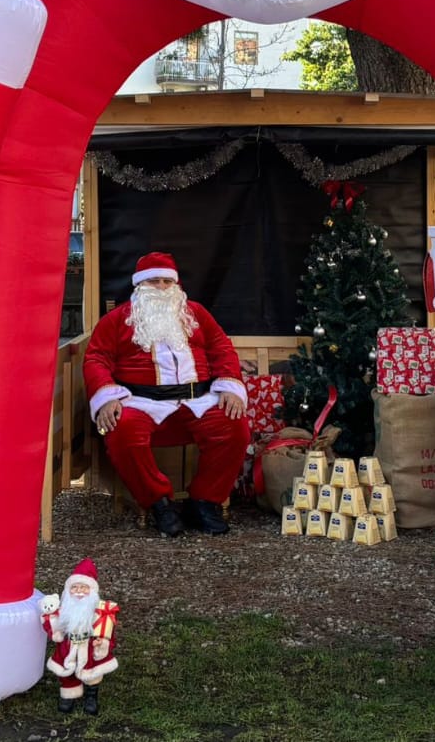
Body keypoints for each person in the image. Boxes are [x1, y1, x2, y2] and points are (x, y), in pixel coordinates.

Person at [84, 252, 250, 536]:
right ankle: (160, 504)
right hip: (140, 402)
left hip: (196, 400)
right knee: (121, 430)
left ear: (176, 285)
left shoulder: (195, 314)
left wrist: (229, 385)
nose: (161, 288)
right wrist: (107, 397)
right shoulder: (117, 320)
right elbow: (96, 358)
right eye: (153, 281)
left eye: (166, 281)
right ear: (139, 286)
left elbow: (221, 347)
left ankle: (205, 502)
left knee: (235, 426)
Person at [39, 558, 118, 716]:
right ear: (68, 591)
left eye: (84, 587)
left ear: (92, 591)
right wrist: (55, 630)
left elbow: (106, 630)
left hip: (89, 647)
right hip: (68, 646)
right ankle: (69, 695)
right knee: (66, 669)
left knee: (93, 671)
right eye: (74, 587)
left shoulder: (99, 612)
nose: (79, 591)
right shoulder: (63, 610)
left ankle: (91, 696)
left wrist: (101, 642)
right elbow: (52, 625)